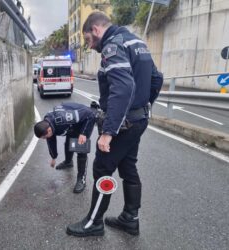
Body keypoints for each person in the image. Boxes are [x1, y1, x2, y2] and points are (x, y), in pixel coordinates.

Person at [66, 12, 163, 237]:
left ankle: (94, 223)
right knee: (128, 166)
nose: (89, 46)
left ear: (96, 30)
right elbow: (156, 79)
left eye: (89, 40)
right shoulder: (137, 42)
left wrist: (108, 131)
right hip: (138, 120)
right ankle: (130, 218)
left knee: (102, 167)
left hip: (124, 123)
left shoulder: (113, 46)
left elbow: (123, 87)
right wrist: (142, 105)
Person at [34, 102, 96, 193]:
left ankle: (81, 180)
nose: (44, 139)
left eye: (44, 137)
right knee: (68, 143)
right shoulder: (47, 123)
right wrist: (53, 157)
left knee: (81, 151)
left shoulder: (64, 118)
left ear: (49, 130)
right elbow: (51, 140)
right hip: (71, 126)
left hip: (82, 123)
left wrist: (84, 133)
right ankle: (68, 162)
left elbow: (90, 114)